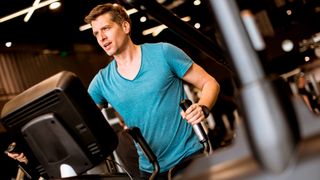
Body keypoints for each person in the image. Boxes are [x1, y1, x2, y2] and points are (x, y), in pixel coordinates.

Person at [84, 3, 220, 179]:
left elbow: (210, 82)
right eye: (96, 33)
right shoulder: (101, 82)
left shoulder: (163, 52)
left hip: (189, 156)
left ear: (125, 26)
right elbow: (82, 121)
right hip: (150, 169)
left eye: (106, 29)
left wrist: (203, 107)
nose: (101, 37)